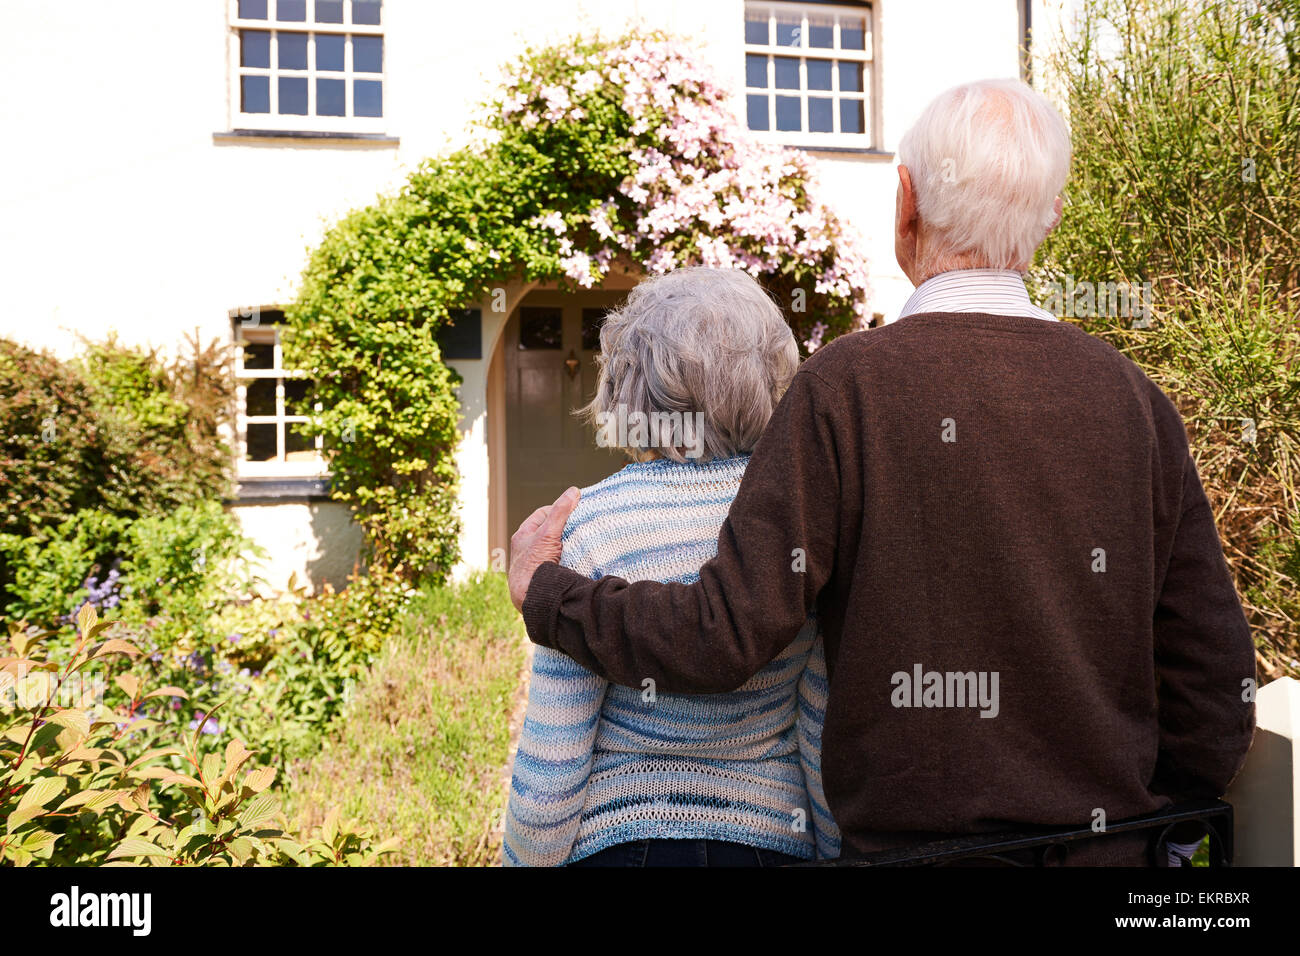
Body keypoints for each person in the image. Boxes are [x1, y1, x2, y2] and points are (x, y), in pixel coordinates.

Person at [507, 79, 1257, 866]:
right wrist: (1156, 829)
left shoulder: (846, 388)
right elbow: (1212, 677)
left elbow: (724, 635)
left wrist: (551, 595)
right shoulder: (1135, 400)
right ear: (1050, 222)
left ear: (906, 202)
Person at [501, 267, 839, 867]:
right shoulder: (798, 525)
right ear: (772, 376)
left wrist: (524, 860)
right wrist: (834, 847)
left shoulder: (590, 524)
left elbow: (556, 756)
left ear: (627, 383)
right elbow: (819, 721)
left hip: (621, 841)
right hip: (769, 840)